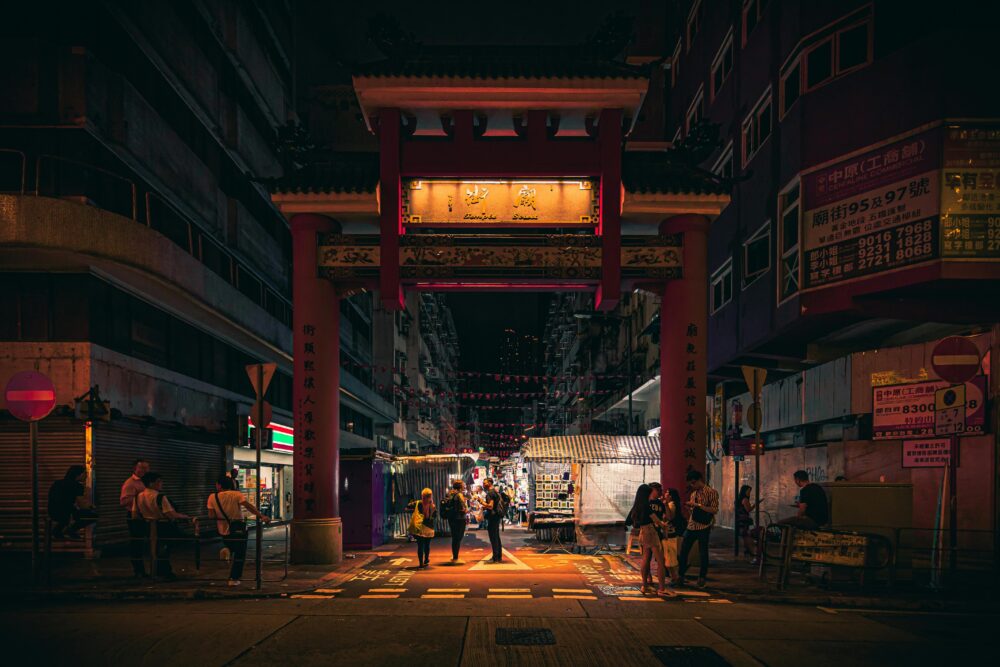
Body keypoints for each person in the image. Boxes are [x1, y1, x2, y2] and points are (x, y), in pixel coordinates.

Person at [207, 475, 270, 586]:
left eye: (217, 484)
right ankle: (234, 578)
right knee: (240, 553)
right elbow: (249, 506)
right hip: (238, 528)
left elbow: (211, 516)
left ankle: (227, 550)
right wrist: (261, 516)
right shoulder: (237, 494)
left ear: (220, 485)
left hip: (223, 529)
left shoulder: (212, 497)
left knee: (230, 545)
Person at [133, 472, 190, 580]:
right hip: (163, 526)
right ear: (151, 483)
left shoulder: (138, 496)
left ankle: (154, 571)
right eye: (159, 481)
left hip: (148, 526)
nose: (161, 483)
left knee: (153, 549)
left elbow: (134, 514)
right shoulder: (160, 497)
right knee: (163, 549)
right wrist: (184, 517)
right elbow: (170, 514)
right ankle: (163, 572)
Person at [678, 470, 719, 588]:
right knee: (684, 550)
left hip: (704, 526)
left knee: (703, 552)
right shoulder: (693, 494)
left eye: (693, 483)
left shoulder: (711, 492)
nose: (692, 485)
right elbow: (694, 512)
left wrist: (698, 506)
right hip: (691, 525)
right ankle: (681, 575)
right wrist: (690, 508)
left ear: (699, 480)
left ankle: (702, 577)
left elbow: (714, 509)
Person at [627, 483, 667, 596]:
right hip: (650, 532)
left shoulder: (637, 506)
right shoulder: (647, 506)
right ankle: (662, 589)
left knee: (645, 559)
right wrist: (663, 525)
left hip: (642, 532)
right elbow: (657, 521)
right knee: (660, 561)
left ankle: (644, 586)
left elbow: (629, 521)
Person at [47, 465, 97, 540]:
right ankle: (71, 530)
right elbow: (82, 504)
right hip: (67, 513)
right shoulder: (77, 486)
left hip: (52, 512)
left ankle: (57, 531)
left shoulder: (57, 483)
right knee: (93, 516)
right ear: (78, 475)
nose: (86, 476)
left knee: (66, 516)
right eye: (85, 474)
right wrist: (91, 506)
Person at [120, 458, 150, 577]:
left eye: (146, 468)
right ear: (135, 469)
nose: (145, 470)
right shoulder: (130, 483)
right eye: (142, 468)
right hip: (135, 516)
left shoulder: (145, 481)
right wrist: (141, 499)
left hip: (145, 515)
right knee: (137, 543)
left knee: (145, 542)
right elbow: (124, 501)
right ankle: (139, 570)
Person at [442, 480, 468, 564]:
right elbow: (463, 508)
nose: (465, 486)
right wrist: (467, 510)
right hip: (459, 519)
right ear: (460, 486)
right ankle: (455, 558)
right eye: (463, 485)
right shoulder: (459, 495)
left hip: (451, 518)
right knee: (458, 538)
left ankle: (454, 556)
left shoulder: (450, 493)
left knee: (454, 537)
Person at [408, 488, 436, 568]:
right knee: (427, 545)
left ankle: (421, 563)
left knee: (420, 545)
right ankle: (426, 559)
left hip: (419, 527)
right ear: (430, 496)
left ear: (423, 495)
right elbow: (434, 517)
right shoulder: (432, 506)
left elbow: (408, 506)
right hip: (428, 528)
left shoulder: (418, 503)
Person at [663, 487, 685, 585]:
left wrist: (665, 505)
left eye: (667, 493)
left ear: (671, 496)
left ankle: (675, 577)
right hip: (673, 533)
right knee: (671, 555)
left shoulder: (671, 505)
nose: (665, 494)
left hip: (670, 533)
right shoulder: (673, 504)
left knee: (670, 556)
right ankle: (674, 576)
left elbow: (669, 517)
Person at [482, 478, 504, 563]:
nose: (483, 484)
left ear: (490, 483)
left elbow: (490, 506)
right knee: (496, 537)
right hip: (496, 517)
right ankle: (498, 556)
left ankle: (496, 558)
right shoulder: (495, 492)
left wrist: (481, 502)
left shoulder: (490, 493)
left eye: (485, 483)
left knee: (493, 537)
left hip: (493, 517)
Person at [735, 484, 758, 558]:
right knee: (746, 535)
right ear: (744, 491)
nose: (749, 493)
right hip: (744, 520)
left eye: (750, 491)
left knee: (744, 535)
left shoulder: (739, 499)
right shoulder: (745, 499)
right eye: (748, 491)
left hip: (740, 519)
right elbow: (748, 509)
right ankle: (749, 550)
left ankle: (747, 550)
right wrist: (756, 504)